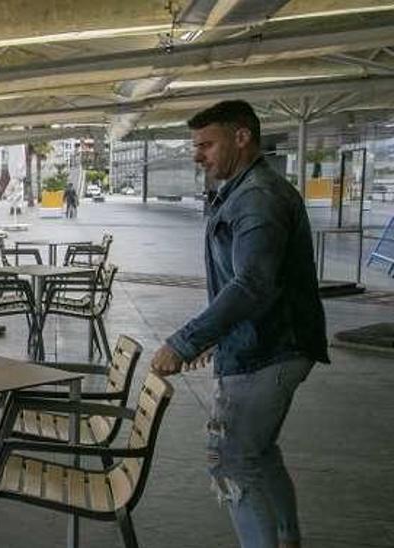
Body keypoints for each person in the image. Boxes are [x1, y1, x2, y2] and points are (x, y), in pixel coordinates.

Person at [149, 100, 328, 548]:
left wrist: (186, 341)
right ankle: (287, 538)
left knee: (232, 462)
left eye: (207, 144)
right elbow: (253, 284)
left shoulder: (257, 198)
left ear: (242, 137)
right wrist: (223, 332)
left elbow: (252, 285)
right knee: (259, 454)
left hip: (267, 351)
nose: (197, 155)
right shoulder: (246, 191)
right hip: (269, 343)